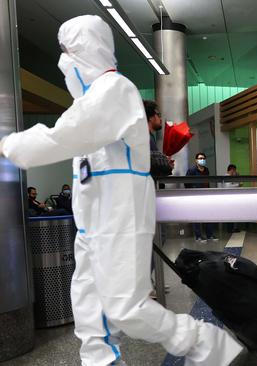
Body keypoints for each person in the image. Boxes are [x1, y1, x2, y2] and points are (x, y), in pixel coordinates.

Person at [0, 16, 242, 365]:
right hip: (92, 223)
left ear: (85, 52)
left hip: (121, 214)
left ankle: (207, 344)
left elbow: (66, 136)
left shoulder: (114, 90)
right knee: (88, 301)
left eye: (68, 51)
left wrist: (9, 144)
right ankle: (101, 361)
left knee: (127, 307)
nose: (63, 61)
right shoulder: (86, 102)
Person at [186, 152, 215, 242]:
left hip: (206, 196)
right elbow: (186, 183)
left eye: (203, 158)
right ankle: (198, 236)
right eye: (200, 158)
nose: (202, 160)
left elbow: (207, 182)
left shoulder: (206, 170)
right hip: (195, 196)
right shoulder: (191, 170)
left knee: (208, 216)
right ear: (196, 160)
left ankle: (209, 235)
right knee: (197, 216)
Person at [144, 100, 174, 178]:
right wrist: (164, 161)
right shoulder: (144, 138)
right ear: (150, 117)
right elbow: (148, 160)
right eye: (158, 115)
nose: (160, 119)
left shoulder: (149, 136)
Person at [224, 164, 242, 233]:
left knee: (232, 213)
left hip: (231, 198)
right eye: (234, 170)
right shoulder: (227, 177)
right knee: (229, 214)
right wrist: (238, 185)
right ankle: (230, 228)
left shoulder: (230, 177)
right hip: (228, 198)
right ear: (231, 170)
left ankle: (233, 228)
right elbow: (229, 187)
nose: (235, 172)